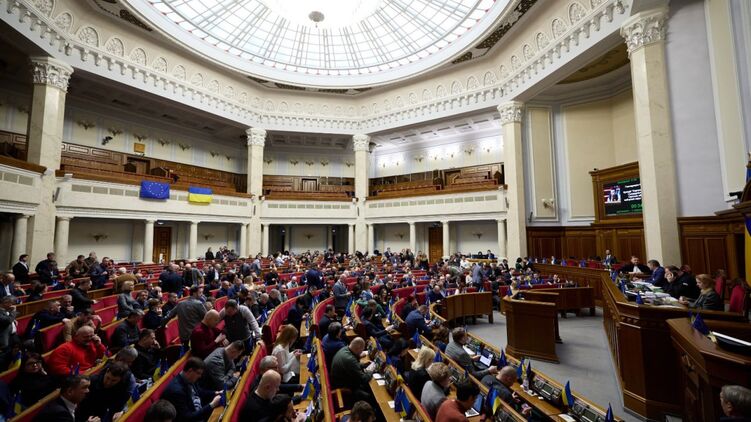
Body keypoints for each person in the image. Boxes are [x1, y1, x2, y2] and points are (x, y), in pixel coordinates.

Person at [161, 357, 222, 422]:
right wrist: (211, 405)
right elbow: (187, 417)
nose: (200, 376)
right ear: (190, 371)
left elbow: (199, 392)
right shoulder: (177, 391)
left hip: (199, 410)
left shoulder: (189, 379)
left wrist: (215, 393)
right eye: (198, 373)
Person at [331, 337, 374, 404]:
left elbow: (352, 366)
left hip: (340, 380)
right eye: (361, 350)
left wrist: (363, 365)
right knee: (369, 396)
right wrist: (370, 371)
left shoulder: (345, 349)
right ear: (358, 348)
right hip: (344, 387)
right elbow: (364, 379)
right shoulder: (350, 359)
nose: (361, 352)